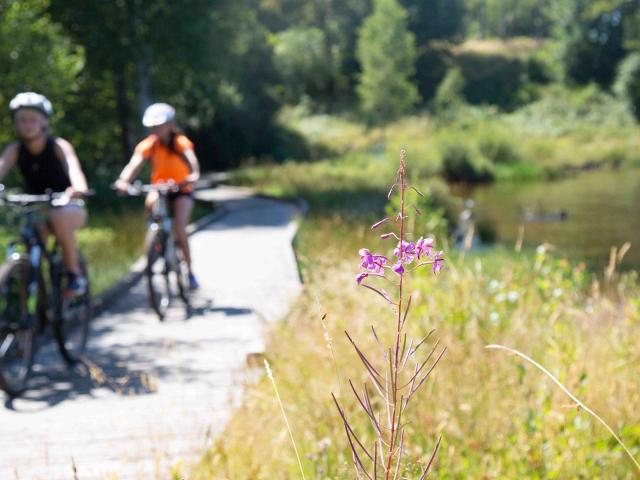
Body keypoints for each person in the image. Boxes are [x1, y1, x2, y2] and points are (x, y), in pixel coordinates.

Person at [0, 92, 89, 296]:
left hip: (70, 206)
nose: (27, 124)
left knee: (59, 217)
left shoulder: (58, 146)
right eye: (22, 120)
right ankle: (32, 298)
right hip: (39, 210)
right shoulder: (15, 149)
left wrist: (77, 187)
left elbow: (74, 169)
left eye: (33, 119)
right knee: (28, 237)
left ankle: (74, 275)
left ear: (44, 122)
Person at [115, 102, 201, 289]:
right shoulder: (149, 145)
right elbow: (134, 164)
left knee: (179, 228)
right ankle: (157, 236)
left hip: (181, 189)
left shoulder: (180, 142)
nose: (156, 129)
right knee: (150, 202)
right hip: (160, 188)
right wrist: (123, 181)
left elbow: (192, 160)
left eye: (160, 125)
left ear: (170, 125)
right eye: (153, 126)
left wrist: (193, 174)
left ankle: (189, 271)